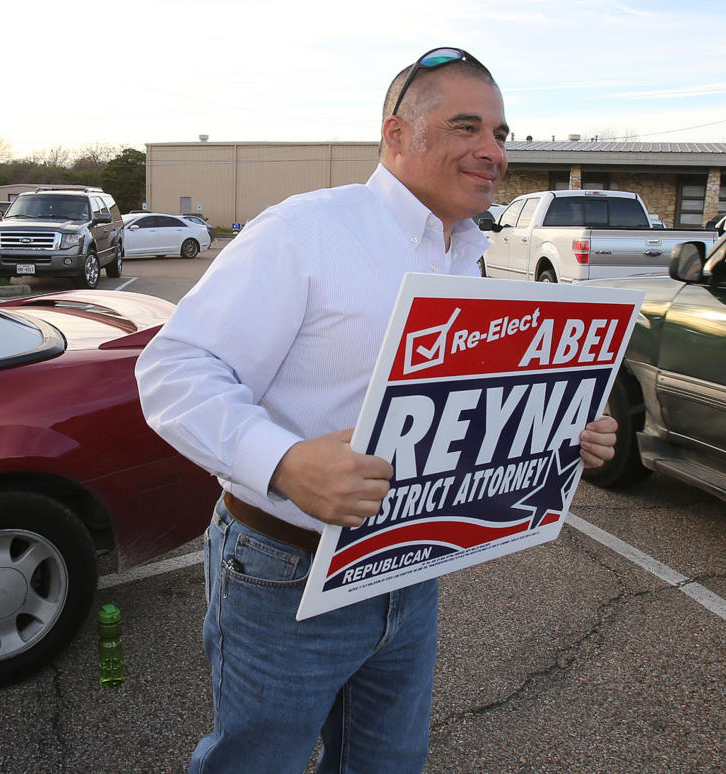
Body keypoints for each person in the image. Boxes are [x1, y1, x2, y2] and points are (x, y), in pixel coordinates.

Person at [135, 47, 618, 774]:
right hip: (281, 569)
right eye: (466, 128)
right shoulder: (305, 230)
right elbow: (175, 370)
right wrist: (286, 462)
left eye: (501, 133)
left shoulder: (465, 251)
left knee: (386, 762)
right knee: (256, 762)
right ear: (396, 136)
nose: (493, 152)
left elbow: (456, 403)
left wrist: (556, 425)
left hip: (406, 568)